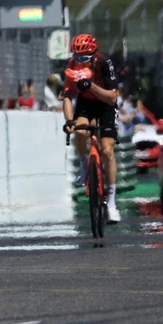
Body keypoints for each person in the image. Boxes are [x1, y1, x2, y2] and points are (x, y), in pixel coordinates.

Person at [62, 33, 122, 223]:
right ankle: (83, 164)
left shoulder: (105, 63)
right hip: (86, 105)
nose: (80, 62)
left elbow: (112, 98)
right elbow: (68, 97)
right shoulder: (72, 66)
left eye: (84, 59)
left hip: (105, 104)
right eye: (77, 57)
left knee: (107, 150)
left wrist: (91, 86)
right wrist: (68, 120)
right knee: (80, 130)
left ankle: (112, 203)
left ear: (94, 56)